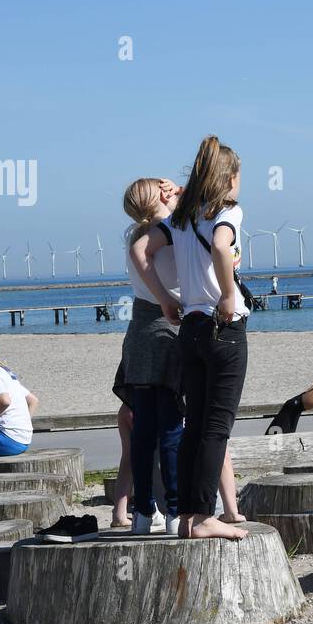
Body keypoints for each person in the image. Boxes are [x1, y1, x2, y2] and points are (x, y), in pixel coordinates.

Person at [134, 136, 250, 541]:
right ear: (229, 177)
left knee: (195, 425)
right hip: (224, 329)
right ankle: (203, 519)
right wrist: (229, 293)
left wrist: (165, 298)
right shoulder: (228, 212)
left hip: (190, 330)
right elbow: (221, 244)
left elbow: (140, 250)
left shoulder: (181, 219)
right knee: (216, 428)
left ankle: (186, 515)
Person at [115, 177, 186, 534]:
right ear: (159, 195)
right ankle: (175, 511)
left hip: (138, 333)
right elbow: (202, 202)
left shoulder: (134, 232)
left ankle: (144, 511)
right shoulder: (168, 229)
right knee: (171, 426)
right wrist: (181, 195)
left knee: (143, 429)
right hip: (168, 328)